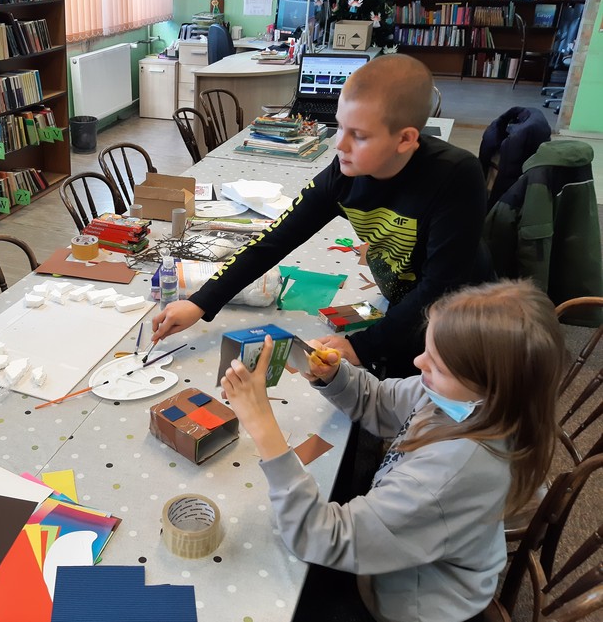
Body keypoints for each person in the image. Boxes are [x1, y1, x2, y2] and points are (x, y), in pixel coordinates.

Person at [220, 280, 562, 622]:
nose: (418, 361)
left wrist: (263, 427)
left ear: (491, 392)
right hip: (396, 548)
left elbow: (319, 536)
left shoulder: (450, 473)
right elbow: (382, 400)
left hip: (406, 604)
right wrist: (334, 375)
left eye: (438, 366)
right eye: (428, 351)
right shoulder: (463, 400)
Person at [153, 54, 492, 378]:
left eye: (359, 135)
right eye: (341, 127)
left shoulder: (456, 175)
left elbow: (441, 288)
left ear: (405, 139)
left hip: (460, 321)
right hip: (400, 303)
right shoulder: (344, 174)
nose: (339, 144)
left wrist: (362, 346)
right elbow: (274, 240)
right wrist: (201, 302)